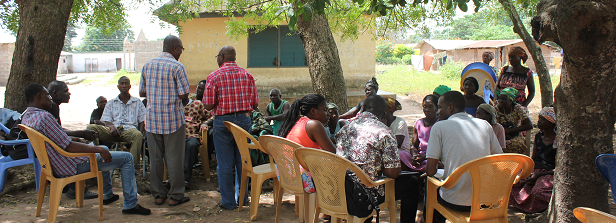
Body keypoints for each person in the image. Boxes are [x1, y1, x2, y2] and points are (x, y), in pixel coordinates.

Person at [21, 84, 151, 215]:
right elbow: (68, 147)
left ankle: (107, 194)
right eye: (47, 95)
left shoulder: (28, 116)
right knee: (126, 158)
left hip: (52, 165)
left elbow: (58, 137)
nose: (50, 98)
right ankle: (131, 204)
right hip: (71, 165)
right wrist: (98, 150)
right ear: (39, 96)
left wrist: (87, 142)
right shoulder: (45, 117)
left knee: (104, 147)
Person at [336, 95, 419, 223]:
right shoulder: (384, 132)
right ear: (384, 113)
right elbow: (393, 173)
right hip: (365, 194)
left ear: (362, 108)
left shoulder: (345, 128)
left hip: (342, 189)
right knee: (412, 183)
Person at [426, 91, 503, 222]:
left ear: (450, 107)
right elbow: (499, 160)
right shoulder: (485, 125)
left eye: (439, 107)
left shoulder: (439, 127)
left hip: (456, 202)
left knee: (429, 186)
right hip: (485, 201)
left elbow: (430, 171)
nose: (438, 112)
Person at [202, 45, 259, 210]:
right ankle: (243, 199)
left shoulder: (214, 76)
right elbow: (255, 104)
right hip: (244, 120)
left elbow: (208, 105)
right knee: (243, 160)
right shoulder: (247, 75)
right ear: (234, 57)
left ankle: (228, 203)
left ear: (221, 57)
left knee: (225, 163)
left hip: (223, 122)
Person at [139, 35, 191, 207]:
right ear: (175, 48)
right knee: (174, 159)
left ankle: (158, 194)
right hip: (173, 120)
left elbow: (142, 93)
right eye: (181, 49)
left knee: (155, 159)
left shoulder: (148, 65)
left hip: (152, 120)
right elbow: (184, 94)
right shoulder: (177, 66)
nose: (181, 53)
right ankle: (175, 195)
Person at [278, 94, 336, 194]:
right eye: (325, 110)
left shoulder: (295, 121)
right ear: (313, 111)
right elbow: (333, 154)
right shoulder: (314, 125)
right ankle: (333, 208)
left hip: (285, 175)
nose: (328, 114)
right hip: (305, 181)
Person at [87, 76, 146, 167]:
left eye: (126, 83)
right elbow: (106, 120)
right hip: (113, 131)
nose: (124, 86)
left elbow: (142, 120)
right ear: (118, 86)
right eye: (122, 83)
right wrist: (111, 127)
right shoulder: (111, 102)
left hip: (129, 131)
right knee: (90, 128)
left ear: (130, 86)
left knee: (138, 135)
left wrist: (141, 133)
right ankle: (96, 159)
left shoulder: (137, 102)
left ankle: (131, 167)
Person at [509, 107, 557, 213]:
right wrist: (530, 171)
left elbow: (558, 168)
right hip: (536, 169)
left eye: (542, 119)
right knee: (511, 183)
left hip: (549, 173)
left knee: (538, 192)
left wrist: (538, 175)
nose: (538, 121)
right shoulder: (538, 136)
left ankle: (533, 209)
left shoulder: (557, 140)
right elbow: (533, 159)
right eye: (539, 118)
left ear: (551, 122)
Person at [183, 80, 212, 184]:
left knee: (191, 145)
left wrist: (205, 123)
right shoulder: (173, 105)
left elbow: (212, 115)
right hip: (174, 135)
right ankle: (173, 178)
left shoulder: (197, 104)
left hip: (191, 135)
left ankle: (185, 179)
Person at [403, 94, 439, 173]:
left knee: (433, 164)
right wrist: (414, 156)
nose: (427, 110)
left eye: (431, 107)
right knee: (400, 155)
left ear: (437, 108)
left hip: (432, 158)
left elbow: (441, 150)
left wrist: (425, 157)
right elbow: (414, 146)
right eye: (425, 107)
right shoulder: (419, 123)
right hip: (420, 157)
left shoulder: (439, 124)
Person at [495, 88, 533, 154]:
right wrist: (504, 133)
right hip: (499, 134)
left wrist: (510, 130)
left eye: (504, 99)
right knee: (493, 144)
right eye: (499, 99)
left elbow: (529, 125)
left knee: (516, 145)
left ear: (511, 100)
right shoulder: (496, 109)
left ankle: (514, 162)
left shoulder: (517, 108)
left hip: (514, 134)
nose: (500, 101)